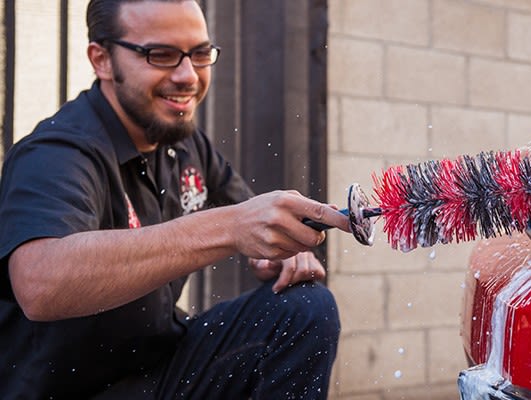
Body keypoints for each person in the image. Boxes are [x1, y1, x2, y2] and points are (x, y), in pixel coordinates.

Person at [0, 0, 350, 398]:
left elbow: (251, 217)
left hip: (160, 371)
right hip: (66, 389)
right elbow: (39, 283)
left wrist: (281, 245)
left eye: (200, 54)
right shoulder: (58, 152)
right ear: (102, 60)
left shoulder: (182, 141)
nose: (188, 76)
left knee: (304, 309)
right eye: (161, 55)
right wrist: (231, 227)